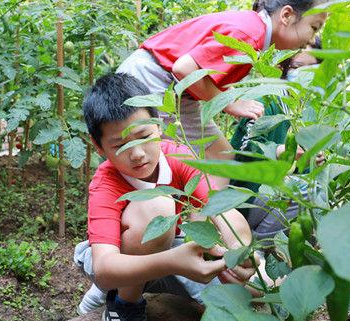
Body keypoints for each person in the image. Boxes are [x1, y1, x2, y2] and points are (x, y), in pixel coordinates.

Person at [74, 73, 254, 321]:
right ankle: (124, 304)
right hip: (130, 258)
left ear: (159, 125)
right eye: (120, 145)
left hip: (174, 250)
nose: (137, 153)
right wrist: (173, 261)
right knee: (156, 207)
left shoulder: (178, 156)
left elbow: (221, 208)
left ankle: (106, 296)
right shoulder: (106, 183)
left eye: (143, 136)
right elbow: (104, 267)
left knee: (253, 288)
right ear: (99, 146)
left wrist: (238, 250)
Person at [117, 0, 328, 188]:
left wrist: (231, 97)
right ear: (287, 15)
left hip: (176, 88)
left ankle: (201, 221)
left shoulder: (253, 30)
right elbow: (184, 68)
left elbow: (201, 73)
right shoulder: (249, 33)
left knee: (220, 158)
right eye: (313, 27)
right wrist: (230, 103)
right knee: (160, 164)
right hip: (152, 81)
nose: (312, 39)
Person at [230, 43, 324, 240]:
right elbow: (242, 149)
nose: (305, 74)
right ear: (282, 67)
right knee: (308, 189)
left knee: (318, 192)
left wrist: (310, 160)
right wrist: (279, 150)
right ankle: (255, 245)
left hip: (268, 196)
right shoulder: (266, 99)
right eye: (298, 67)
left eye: (312, 68)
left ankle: (262, 243)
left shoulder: (306, 111)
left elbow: (302, 172)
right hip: (242, 195)